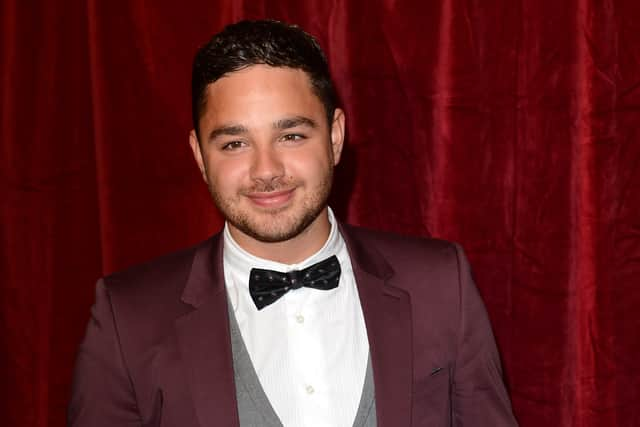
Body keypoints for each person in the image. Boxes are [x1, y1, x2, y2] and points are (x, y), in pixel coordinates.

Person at [68, 19, 518, 427]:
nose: (266, 169)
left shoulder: (441, 284)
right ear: (199, 155)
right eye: (234, 143)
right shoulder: (127, 320)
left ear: (335, 137)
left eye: (291, 136)